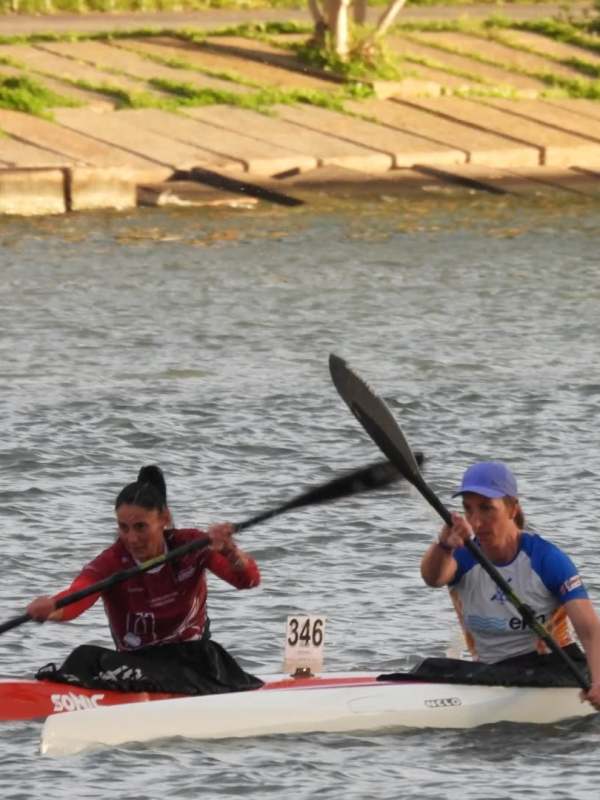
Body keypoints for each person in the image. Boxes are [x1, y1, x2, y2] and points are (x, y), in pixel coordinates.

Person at [26, 465, 263, 695]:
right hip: (138, 664)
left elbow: (248, 581)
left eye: (141, 527)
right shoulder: (111, 562)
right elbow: (79, 593)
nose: (132, 538)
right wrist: (52, 608)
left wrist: (230, 552)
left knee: (203, 653)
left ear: (164, 519)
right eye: (123, 527)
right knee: (83, 656)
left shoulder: (191, 545)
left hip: (193, 661)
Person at [420, 460, 600, 710]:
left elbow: (590, 630)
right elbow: (433, 578)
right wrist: (443, 546)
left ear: (512, 508)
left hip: (553, 666)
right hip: (490, 671)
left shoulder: (546, 559)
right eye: (468, 510)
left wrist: (599, 681)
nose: (476, 522)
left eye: (486, 509)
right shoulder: (461, 555)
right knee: (427, 667)